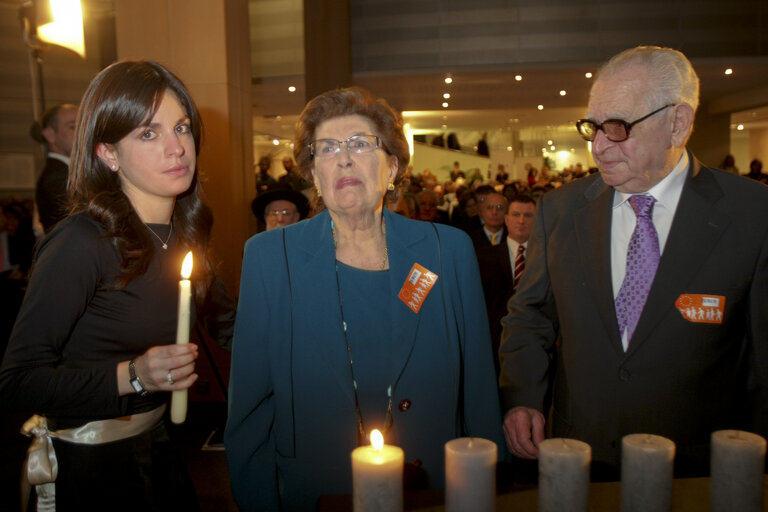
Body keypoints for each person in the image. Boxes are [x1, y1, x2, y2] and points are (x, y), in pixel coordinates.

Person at [225, 86, 504, 511]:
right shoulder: (268, 258)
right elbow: (249, 406)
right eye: (328, 148)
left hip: (433, 487)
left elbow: (479, 386)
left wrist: (485, 490)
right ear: (314, 175)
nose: (344, 157)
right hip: (316, 489)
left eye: (360, 144)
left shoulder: (446, 250)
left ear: (392, 167)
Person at [499, 45, 768, 480]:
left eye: (617, 127)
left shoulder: (753, 215)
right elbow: (529, 316)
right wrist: (523, 397)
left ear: (678, 123)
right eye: (593, 127)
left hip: (696, 471)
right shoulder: (560, 210)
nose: (598, 147)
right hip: (578, 458)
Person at [0, 60, 235, 510]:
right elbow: (17, 381)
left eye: (181, 128)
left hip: (158, 448)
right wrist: (133, 375)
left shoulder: (185, 237)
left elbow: (231, 326)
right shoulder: (81, 242)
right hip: (89, 466)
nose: (176, 148)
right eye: (148, 134)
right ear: (108, 153)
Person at [476, 194, 535, 375]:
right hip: (493, 343)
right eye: (516, 215)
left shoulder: (548, 258)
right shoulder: (482, 258)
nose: (522, 221)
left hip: (535, 344)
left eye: (528, 216)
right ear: (507, 219)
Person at [33, 103, 78, 233]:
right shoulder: (56, 179)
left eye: (84, 126)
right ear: (50, 135)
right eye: (73, 127)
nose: (82, 133)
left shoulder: (66, 173)